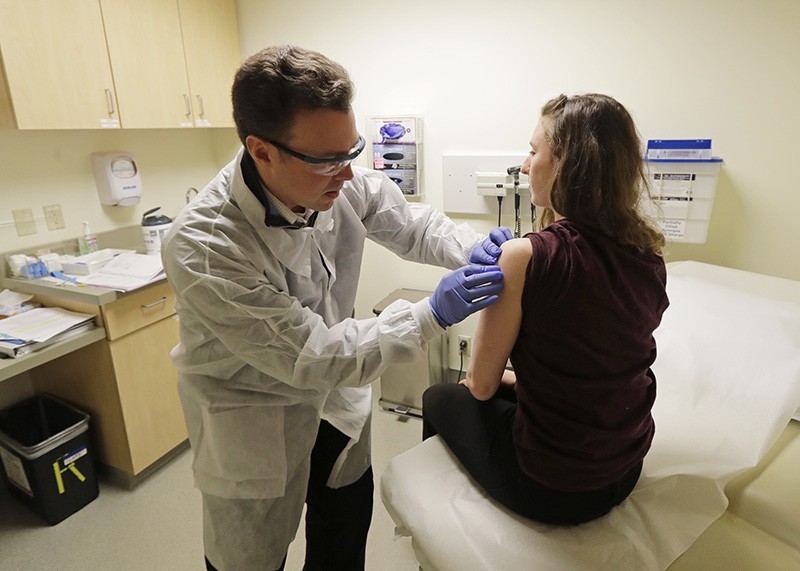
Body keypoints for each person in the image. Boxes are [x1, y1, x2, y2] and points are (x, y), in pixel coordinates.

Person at [161, 44, 509, 571]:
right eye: (328, 160)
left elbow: (411, 224)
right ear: (261, 151)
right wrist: (429, 315)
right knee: (251, 559)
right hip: (254, 416)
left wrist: (472, 249)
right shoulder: (205, 245)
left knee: (343, 535)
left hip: (338, 407)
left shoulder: (336, 180)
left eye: (353, 151)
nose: (348, 175)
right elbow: (311, 354)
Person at [422, 93, 669, 525]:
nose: (524, 165)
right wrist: (521, 381)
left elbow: (479, 385)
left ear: (569, 164)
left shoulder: (525, 257)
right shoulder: (647, 253)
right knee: (505, 388)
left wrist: (496, 379)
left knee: (442, 395)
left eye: (534, 151)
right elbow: (591, 357)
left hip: (553, 491)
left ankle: (440, 519)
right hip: (627, 467)